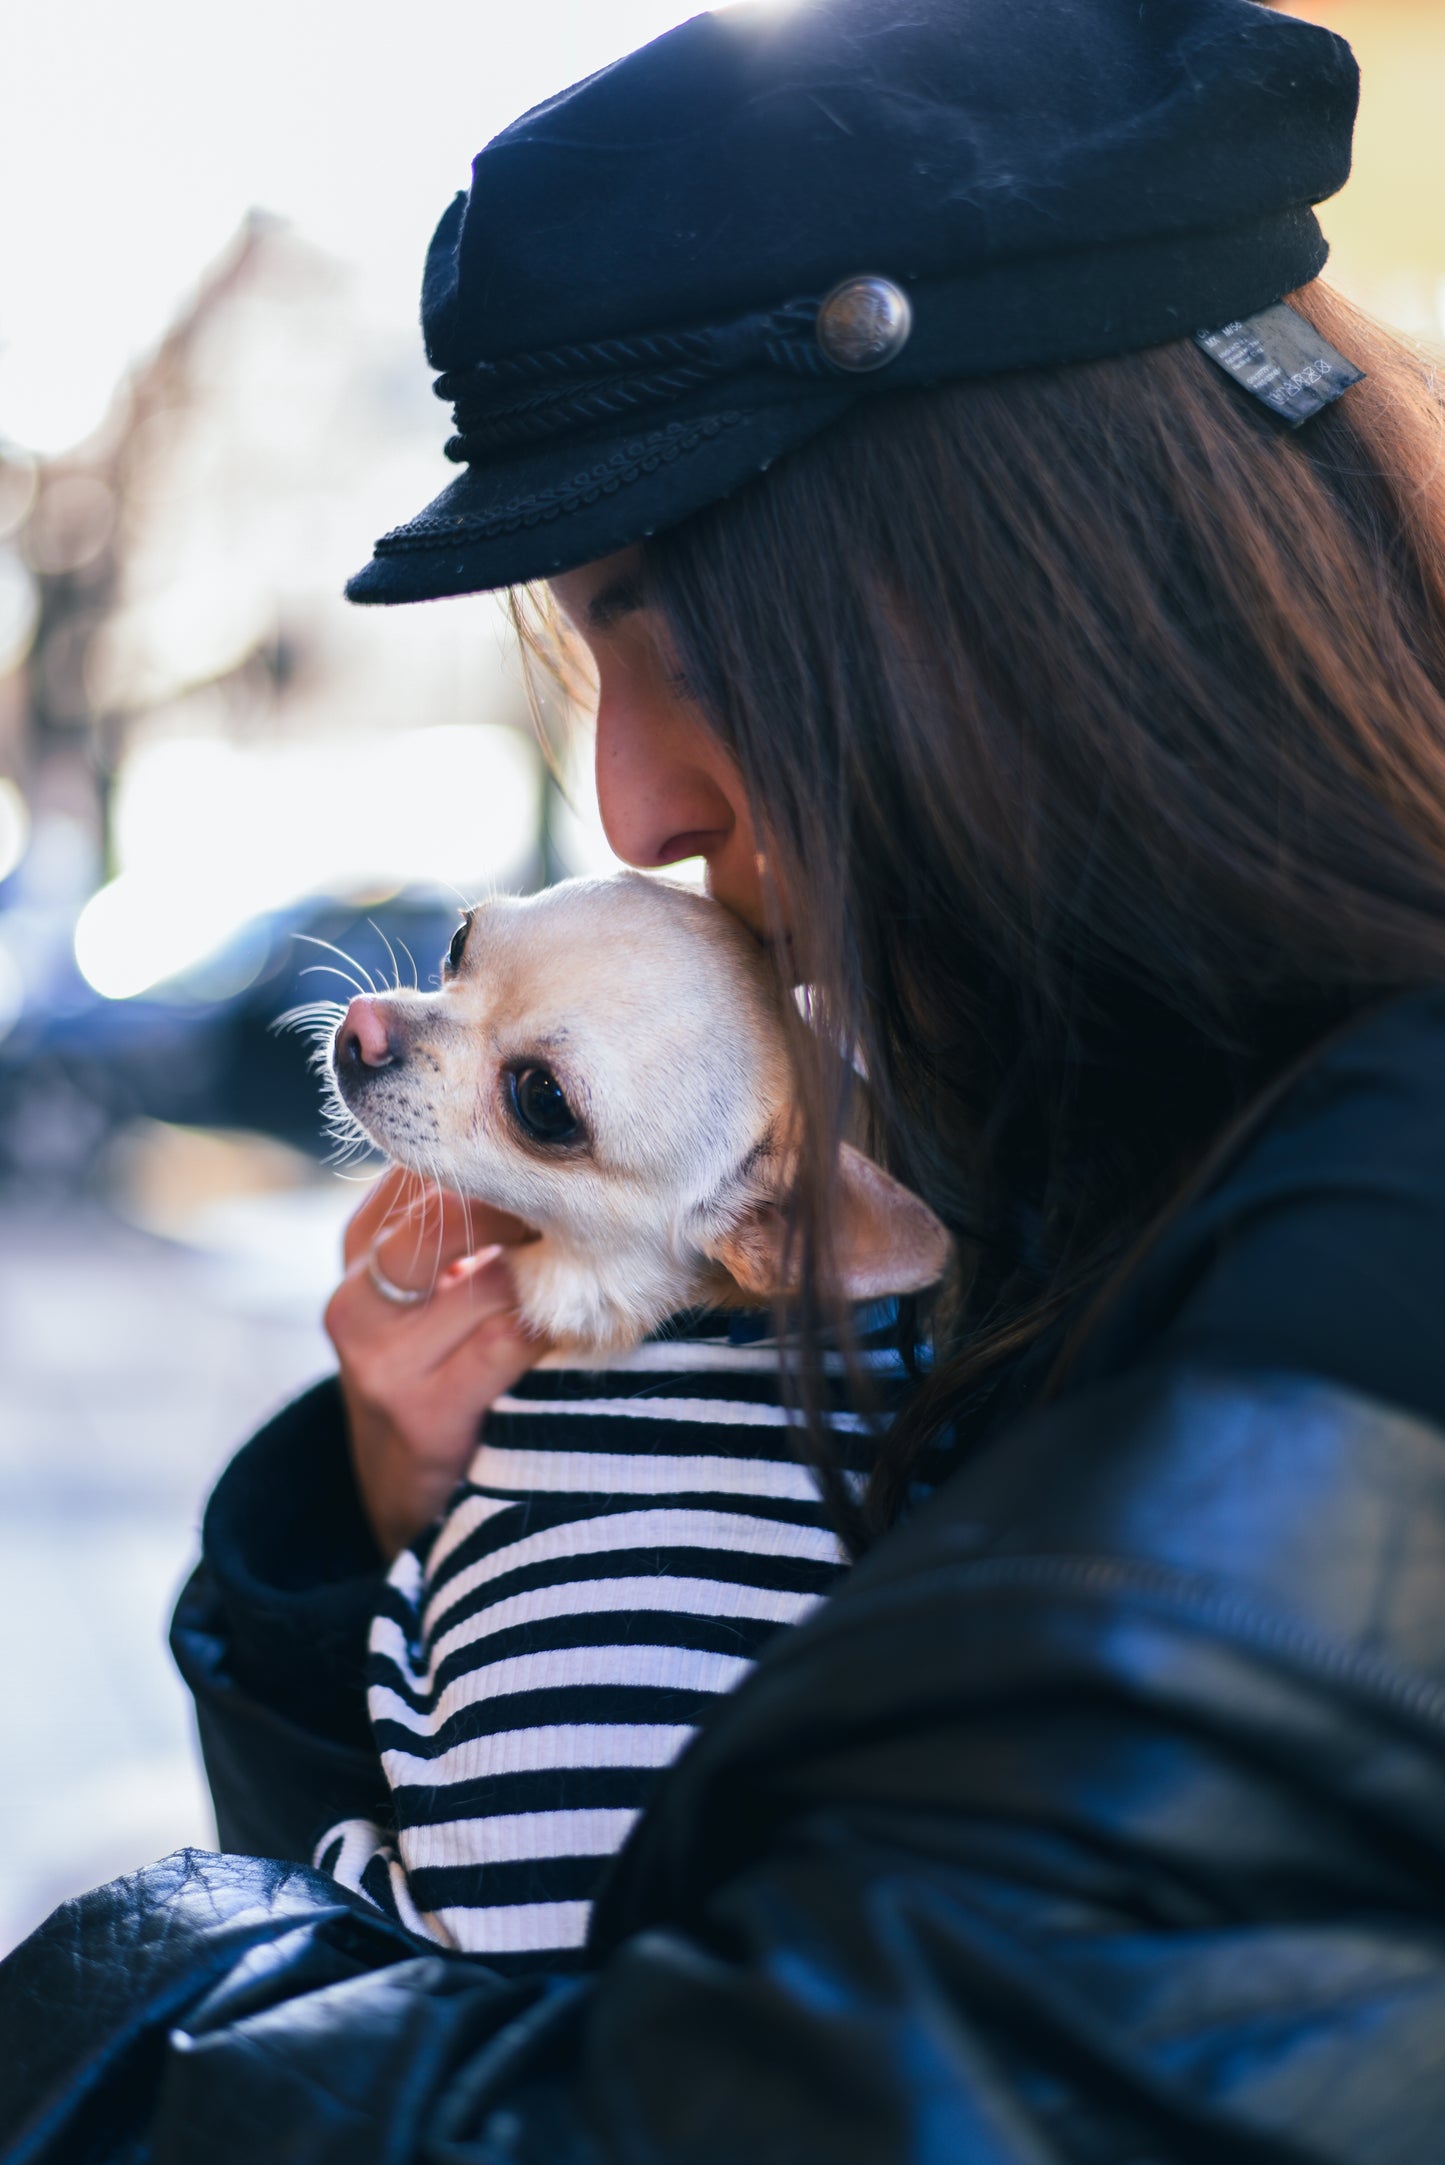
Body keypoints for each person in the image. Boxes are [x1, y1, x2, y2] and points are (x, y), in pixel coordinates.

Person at [8, 1, 1445, 2157]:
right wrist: (409, 1572)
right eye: (590, 664)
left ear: (1038, 575)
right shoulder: (1110, 1144)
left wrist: (123, 1999)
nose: (633, 799)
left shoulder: (1376, 1235)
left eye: (681, 637)